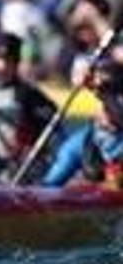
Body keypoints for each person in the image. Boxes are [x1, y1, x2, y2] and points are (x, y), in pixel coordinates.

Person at [0, 32, 57, 172]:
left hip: (24, 167)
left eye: (9, 60)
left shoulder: (30, 95)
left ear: (16, 62)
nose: (3, 66)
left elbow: (52, 129)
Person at [42, 59, 123, 187]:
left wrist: (102, 91)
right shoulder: (79, 143)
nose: (104, 111)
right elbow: (49, 186)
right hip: (96, 192)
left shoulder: (111, 100)